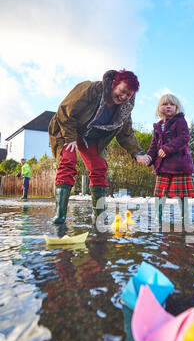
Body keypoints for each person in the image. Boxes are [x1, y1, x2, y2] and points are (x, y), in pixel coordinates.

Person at [49, 69, 143, 224]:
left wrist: (137, 152)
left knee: (99, 167)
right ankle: (59, 217)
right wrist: (70, 138)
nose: (124, 97)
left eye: (129, 95)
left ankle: (99, 214)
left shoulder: (124, 110)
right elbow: (65, 111)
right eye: (123, 91)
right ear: (114, 84)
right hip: (68, 129)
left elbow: (125, 134)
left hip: (90, 138)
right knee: (68, 162)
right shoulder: (91, 89)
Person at [138, 94, 194, 221]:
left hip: (179, 165)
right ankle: (158, 218)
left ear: (177, 108)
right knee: (159, 194)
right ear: (159, 108)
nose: (168, 106)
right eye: (165, 104)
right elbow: (154, 145)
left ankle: (185, 218)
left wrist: (167, 148)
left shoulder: (180, 121)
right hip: (163, 166)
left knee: (182, 195)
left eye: (172, 104)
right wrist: (149, 157)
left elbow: (184, 137)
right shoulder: (158, 126)